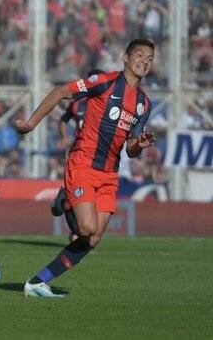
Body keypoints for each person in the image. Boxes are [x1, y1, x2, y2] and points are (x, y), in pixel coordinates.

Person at [17, 39, 156, 297]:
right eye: (139, 55)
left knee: (93, 238)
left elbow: (131, 150)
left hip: (109, 174)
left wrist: (141, 144)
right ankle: (66, 199)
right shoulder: (104, 82)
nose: (144, 61)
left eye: (150, 58)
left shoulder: (144, 104)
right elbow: (60, 92)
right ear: (125, 58)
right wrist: (30, 124)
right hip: (83, 163)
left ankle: (38, 282)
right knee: (86, 229)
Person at [50, 69, 105, 233]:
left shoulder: (108, 104)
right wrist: (63, 137)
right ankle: (69, 205)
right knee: (81, 189)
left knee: (94, 193)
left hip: (101, 153)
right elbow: (64, 119)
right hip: (79, 151)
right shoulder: (77, 104)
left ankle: (66, 199)